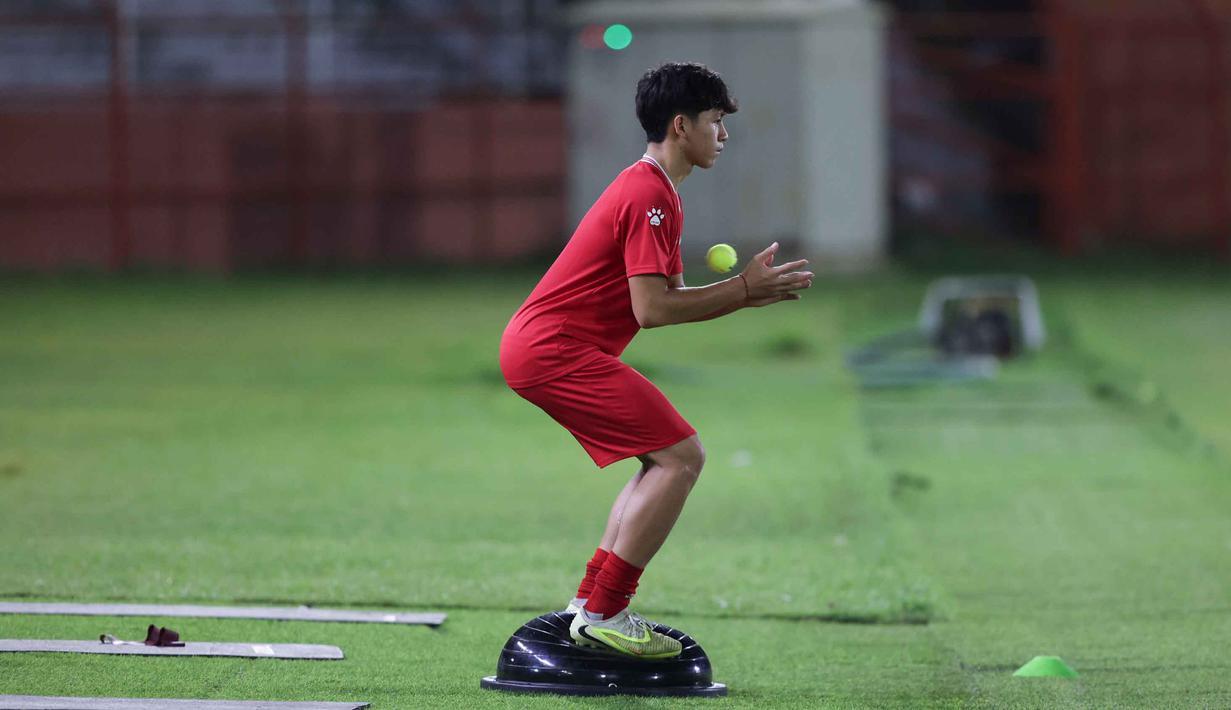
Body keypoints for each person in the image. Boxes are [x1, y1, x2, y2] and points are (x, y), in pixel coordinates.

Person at [499, 61, 813, 659]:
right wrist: (744, 292)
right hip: (553, 350)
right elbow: (653, 311)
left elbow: (670, 299)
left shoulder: (657, 190)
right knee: (682, 458)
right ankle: (605, 610)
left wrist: (744, 293)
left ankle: (588, 604)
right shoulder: (650, 193)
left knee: (659, 460)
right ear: (680, 125)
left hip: (547, 348)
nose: (723, 134)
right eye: (716, 121)